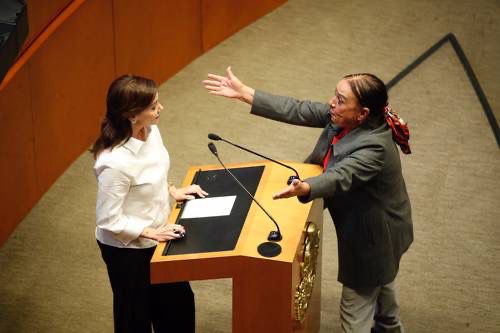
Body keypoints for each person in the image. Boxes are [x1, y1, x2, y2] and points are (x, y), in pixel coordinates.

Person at [203, 67, 413, 333]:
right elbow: (298, 109)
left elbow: (340, 176)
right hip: (383, 229)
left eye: (340, 99)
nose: (331, 103)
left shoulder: (375, 147)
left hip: (373, 238)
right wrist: (247, 94)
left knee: (355, 314)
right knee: (384, 297)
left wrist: (307, 187)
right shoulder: (346, 117)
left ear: (362, 114)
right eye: (335, 96)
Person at [91, 74, 207, 333]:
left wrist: (171, 191)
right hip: (127, 250)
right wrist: (149, 232)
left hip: (159, 236)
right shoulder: (114, 163)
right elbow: (108, 219)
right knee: (135, 318)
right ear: (133, 115)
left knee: (178, 308)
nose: (160, 109)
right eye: (154, 106)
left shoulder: (151, 131)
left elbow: (153, 172)